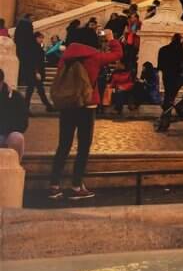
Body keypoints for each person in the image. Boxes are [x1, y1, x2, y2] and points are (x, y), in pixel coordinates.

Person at [48, 29, 122, 200]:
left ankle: (54, 185)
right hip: (87, 105)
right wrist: (111, 39)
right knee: (83, 147)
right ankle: (76, 186)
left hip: (67, 104)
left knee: (63, 145)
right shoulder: (95, 56)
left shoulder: (66, 56)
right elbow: (117, 54)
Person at [0, 69, 29, 161]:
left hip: (7, 134)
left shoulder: (15, 97)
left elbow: (23, 122)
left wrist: (5, 129)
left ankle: (13, 166)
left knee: (17, 138)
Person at [22, 32, 54, 111]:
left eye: (42, 38)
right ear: (35, 38)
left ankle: (48, 106)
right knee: (34, 90)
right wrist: (36, 72)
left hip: (35, 71)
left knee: (38, 90)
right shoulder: (34, 47)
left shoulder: (36, 46)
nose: (41, 39)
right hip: (34, 72)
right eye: (40, 38)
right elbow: (33, 60)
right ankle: (48, 106)